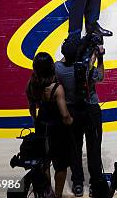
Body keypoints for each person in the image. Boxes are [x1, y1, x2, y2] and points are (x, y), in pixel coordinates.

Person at [56, 34, 105, 197]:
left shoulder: (58, 68)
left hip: (71, 112)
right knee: (94, 148)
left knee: (75, 149)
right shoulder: (86, 67)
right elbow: (101, 76)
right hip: (90, 110)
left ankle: (77, 184)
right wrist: (100, 59)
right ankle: (95, 184)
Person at [26, 52, 73, 198]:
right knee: (61, 164)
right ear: (51, 67)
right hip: (57, 129)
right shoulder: (57, 88)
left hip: (41, 126)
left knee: (44, 162)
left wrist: (36, 121)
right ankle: (57, 195)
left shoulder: (32, 85)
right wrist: (71, 121)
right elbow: (64, 115)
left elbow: (32, 108)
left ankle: (47, 194)